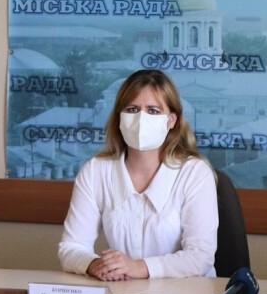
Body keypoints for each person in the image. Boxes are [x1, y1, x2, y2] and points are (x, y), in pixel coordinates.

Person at [58, 70, 218, 280]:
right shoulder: (96, 171)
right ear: (119, 118)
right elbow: (71, 247)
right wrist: (93, 264)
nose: (141, 118)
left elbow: (200, 257)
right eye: (132, 109)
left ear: (171, 120)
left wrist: (139, 267)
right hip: (123, 291)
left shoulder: (195, 173)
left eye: (153, 111)